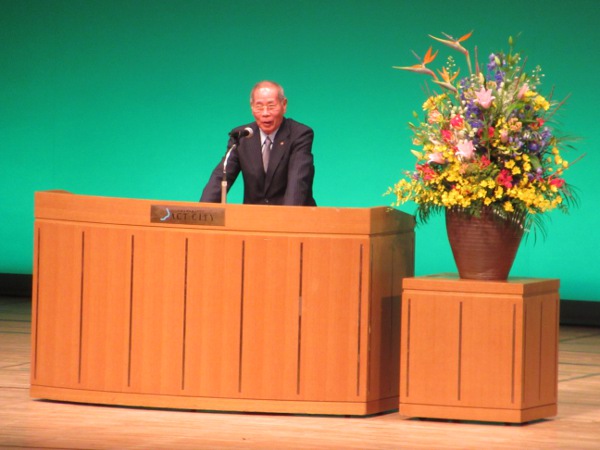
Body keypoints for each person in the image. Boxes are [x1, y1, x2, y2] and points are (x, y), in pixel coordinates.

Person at [200, 81, 316, 206]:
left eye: (271, 106)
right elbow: (220, 177)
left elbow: (297, 182)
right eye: (259, 107)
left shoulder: (299, 134)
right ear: (252, 107)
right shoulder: (242, 136)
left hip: (291, 213)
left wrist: (287, 216)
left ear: (284, 105)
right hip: (254, 216)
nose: (265, 113)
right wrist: (202, 211)